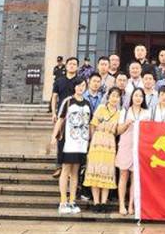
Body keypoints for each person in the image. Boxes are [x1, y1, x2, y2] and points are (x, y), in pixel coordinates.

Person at [52, 77, 91, 215]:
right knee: (66, 170)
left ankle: (72, 200)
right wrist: (54, 136)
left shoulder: (87, 103)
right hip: (69, 142)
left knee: (75, 172)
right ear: (74, 87)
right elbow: (60, 119)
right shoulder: (68, 101)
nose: (80, 88)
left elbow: (89, 123)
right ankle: (63, 201)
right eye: (78, 85)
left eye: (83, 85)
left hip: (81, 143)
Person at [84, 87, 120, 211]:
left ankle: (103, 203)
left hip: (110, 144)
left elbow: (117, 131)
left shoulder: (120, 113)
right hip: (97, 142)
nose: (114, 98)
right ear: (108, 97)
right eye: (113, 95)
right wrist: (91, 140)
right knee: (95, 171)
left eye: (117, 96)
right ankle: (96, 202)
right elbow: (93, 125)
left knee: (107, 173)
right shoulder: (101, 108)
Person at [116, 87, 150, 215]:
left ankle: (131, 204)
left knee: (135, 176)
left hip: (139, 147)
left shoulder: (147, 113)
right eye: (136, 95)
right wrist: (126, 124)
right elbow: (118, 131)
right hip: (125, 145)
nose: (138, 98)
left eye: (141, 96)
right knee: (123, 175)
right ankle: (121, 204)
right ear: (131, 97)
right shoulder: (124, 112)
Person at [51, 57, 80, 178]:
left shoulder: (79, 81)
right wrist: (54, 113)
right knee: (61, 140)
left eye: (74, 64)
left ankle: (70, 168)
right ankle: (59, 166)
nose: (72, 66)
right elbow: (54, 97)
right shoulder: (59, 80)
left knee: (73, 140)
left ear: (77, 67)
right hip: (62, 115)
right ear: (66, 66)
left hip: (76, 115)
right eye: (70, 64)